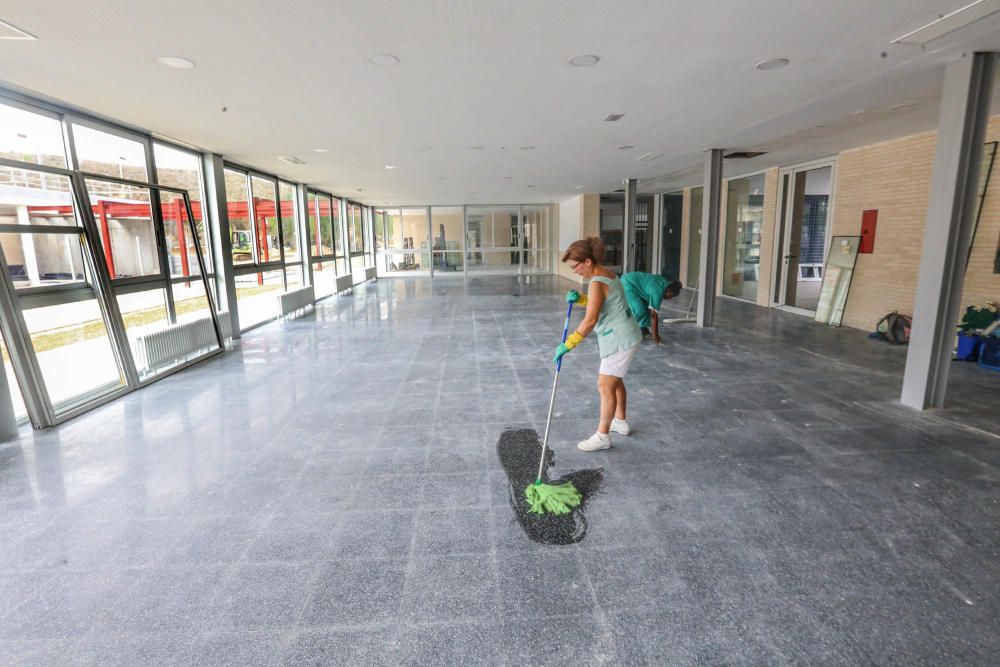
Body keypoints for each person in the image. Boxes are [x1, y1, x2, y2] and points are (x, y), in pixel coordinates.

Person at [554, 237, 642, 452]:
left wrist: (569, 343)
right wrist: (581, 299)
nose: (575, 271)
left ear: (587, 262)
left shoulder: (597, 282)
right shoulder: (607, 274)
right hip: (626, 335)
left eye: (575, 267)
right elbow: (605, 302)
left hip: (619, 339)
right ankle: (619, 421)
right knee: (615, 381)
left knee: (605, 385)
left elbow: (590, 320)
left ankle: (602, 436)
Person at [620, 272, 683, 344]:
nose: (670, 298)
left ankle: (642, 328)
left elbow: (651, 309)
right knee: (639, 310)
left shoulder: (665, 283)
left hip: (634, 281)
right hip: (628, 283)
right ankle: (624, 330)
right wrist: (656, 336)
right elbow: (653, 315)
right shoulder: (657, 292)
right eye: (671, 296)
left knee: (647, 308)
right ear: (669, 290)